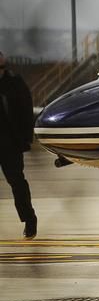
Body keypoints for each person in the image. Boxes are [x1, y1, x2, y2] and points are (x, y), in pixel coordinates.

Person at [0, 51, 38, 239]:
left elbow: (26, 110)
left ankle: (29, 219)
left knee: (17, 182)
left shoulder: (14, 83)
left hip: (9, 143)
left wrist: (25, 139)